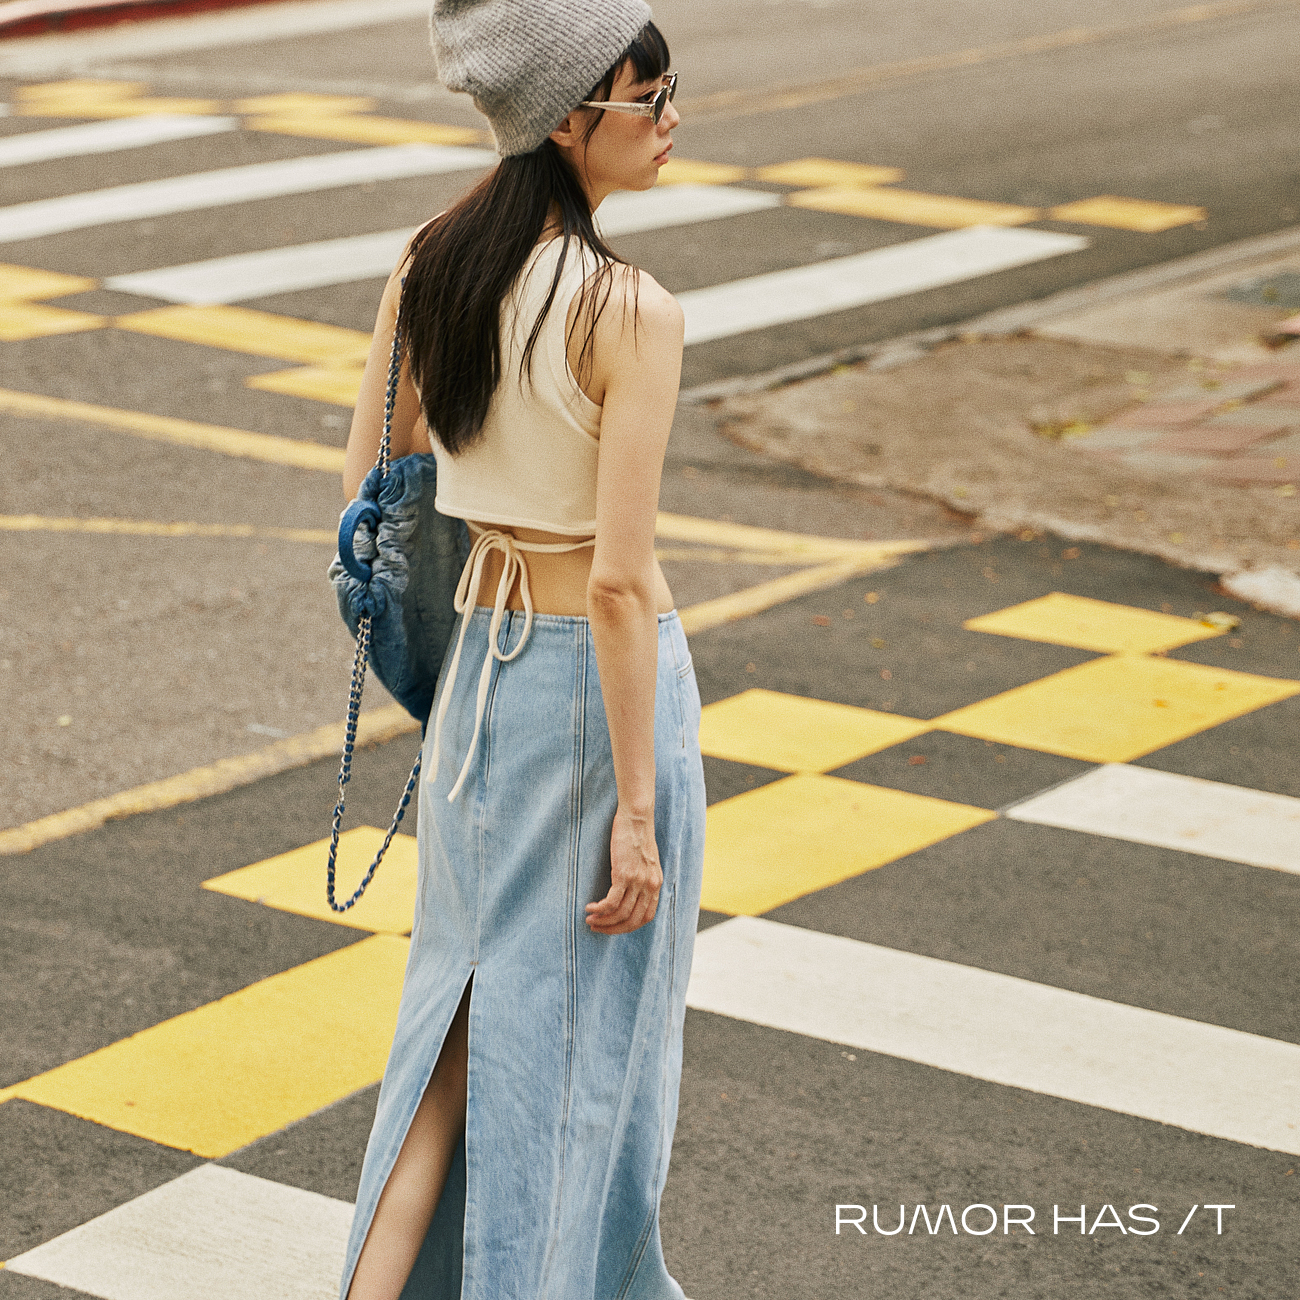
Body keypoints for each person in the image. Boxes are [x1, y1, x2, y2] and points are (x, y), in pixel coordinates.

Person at [337, 3, 704, 1297]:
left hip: (480, 691)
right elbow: (618, 583)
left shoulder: (431, 263)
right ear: (564, 120)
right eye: (646, 99)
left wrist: (445, 663)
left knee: (448, 1036)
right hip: (599, 701)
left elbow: (373, 491)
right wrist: (640, 813)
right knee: (587, 1058)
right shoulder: (631, 310)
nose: (671, 120)